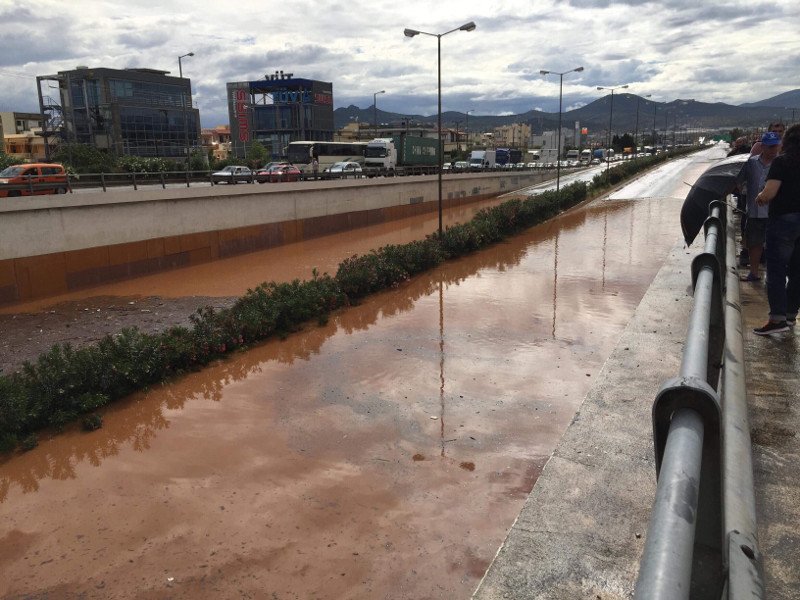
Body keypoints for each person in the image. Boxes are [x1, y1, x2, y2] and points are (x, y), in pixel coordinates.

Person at [752, 123, 800, 335]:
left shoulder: (782, 162)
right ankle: (790, 316)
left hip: (783, 221)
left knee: (777, 270)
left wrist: (760, 197)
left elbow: (770, 192)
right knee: (798, 271)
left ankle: (777, 318)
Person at [740, 132, 781, 281]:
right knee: (754, 244)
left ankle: (773, 275)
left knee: (774, 246)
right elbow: (740, 180)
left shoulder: (781, 163)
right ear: (762, 146)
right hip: (755, 211)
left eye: (775, 146)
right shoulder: (751, 163)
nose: (773, 150)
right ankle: (754, 272)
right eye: (770, 147)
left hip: (774, 212)